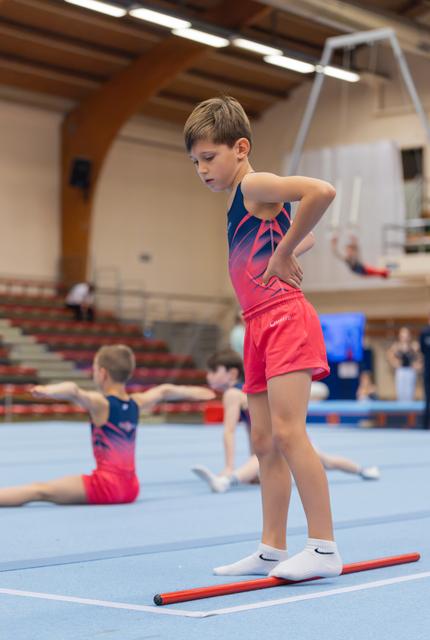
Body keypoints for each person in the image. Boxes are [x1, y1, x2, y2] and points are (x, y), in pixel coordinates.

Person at [184, 95, 341, 581]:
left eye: (209, 158)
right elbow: (296, 232)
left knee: (290, 433)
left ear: (240, 148)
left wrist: (284, 250)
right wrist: (288, 244)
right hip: (256, 324)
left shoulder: (254, 184)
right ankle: (272, 547)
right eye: (195, 162)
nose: (202, 170)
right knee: (265, 441)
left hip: (284, 318)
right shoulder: (242, 200)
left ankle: (323, 547)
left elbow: (322, 191)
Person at [0, 344, 215, 507]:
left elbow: (74, 390)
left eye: (94, 369)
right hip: (131, 489)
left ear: (102, 373)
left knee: (39, 490)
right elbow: (166, 390)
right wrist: (199, 393)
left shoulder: (101, 404)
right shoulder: (136, 403)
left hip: (105, 486)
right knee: (42, 489)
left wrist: (49, 391)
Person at [192, 350, 380, 493]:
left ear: (232, 374)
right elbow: (254, 429)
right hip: (284, 435)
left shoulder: (233, 394)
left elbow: (229, 432)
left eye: (213, 370)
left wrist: (228, 467)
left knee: (325, 461)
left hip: (285, 435)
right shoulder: (244, 391)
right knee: (325, 461)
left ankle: (227, 481)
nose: (208, 376)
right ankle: (363, 470)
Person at [386, 327, 421, 402]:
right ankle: (401, 410)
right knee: (400, 392)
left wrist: (418, 364)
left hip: (410, 371)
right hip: (401, 371)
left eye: (406, 336)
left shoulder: (414, 346)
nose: (404, 338)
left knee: (409, 393)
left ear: (409, 337)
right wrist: (394, 362)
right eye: (403, 336)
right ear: (400, 337)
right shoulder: (396, 346)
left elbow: (420, 357)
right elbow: (389, 354)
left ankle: (410, 410)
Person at [419, 315, 430, 429]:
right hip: (428, 369)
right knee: (427, 398)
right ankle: (425, 424)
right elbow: (422, 349)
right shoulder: (424, 332)